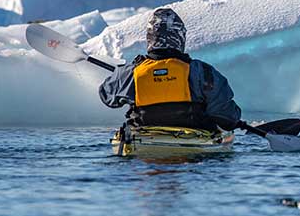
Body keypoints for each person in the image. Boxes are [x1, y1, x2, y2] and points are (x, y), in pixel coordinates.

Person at [98, 8, 242, 132]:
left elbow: (107, 98)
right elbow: (225, 116)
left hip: (143, 140)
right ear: (179, 38)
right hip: (193, 140)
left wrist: (123, 75)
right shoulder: (201, 72)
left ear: (150, 37)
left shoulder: (132, 71)